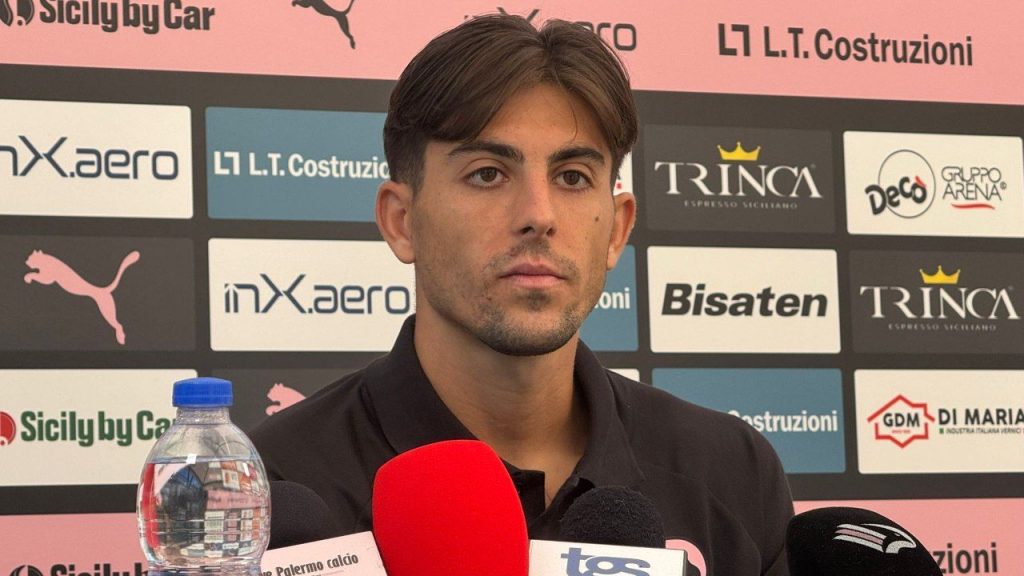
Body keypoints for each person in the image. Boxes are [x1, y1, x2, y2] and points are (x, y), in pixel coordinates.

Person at [249, 14, 793, 575]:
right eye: (488, 174)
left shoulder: (732, 469)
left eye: (573, 176)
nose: (539, 214)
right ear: (402, 221)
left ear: (616, 229)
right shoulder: (270, 490)